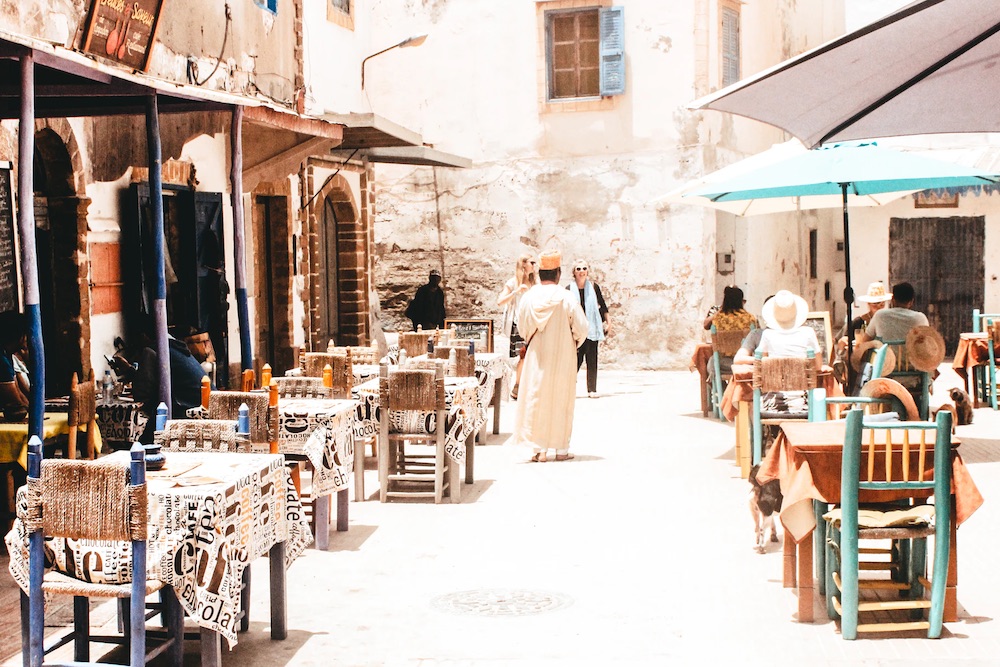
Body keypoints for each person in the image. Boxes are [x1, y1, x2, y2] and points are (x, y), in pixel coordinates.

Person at [514, 250, 588, 462]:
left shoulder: (529, 297)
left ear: (539, 274)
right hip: (563, 357)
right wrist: (572, 343)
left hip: (536, 357)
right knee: (561, 400)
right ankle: (561, 450)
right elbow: (582, 328)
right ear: (558, 274)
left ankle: (539, 450)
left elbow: (522, 328)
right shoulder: (566, 297)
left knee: (536, 398)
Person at [130, 328, 210, 442]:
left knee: (147, 439)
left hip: (188, 412)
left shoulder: (153, 350)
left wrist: (129, 373)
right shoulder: (175, 348)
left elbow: (142, 393)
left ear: (143, 336)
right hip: (201, 407)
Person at [497, 253, 538, 400]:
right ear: (523, 265)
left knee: (532, 356)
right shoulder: (513, 282)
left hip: (533, 325)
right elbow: (500, 301)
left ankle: (524, 386)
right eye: (531, 263)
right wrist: (515, 292)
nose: (534, 265)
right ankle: (518, 385)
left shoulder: (535, 284)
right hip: (518, 325)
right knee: (522, 356)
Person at [567, 259, 610, 398]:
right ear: (574, 272)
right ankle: (567, 388)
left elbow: (602, 305)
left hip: (592, 327)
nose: (582, 271)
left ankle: (592, 389)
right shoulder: (568, 289)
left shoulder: (594, 287)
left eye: (584, 268)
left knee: (592, 359)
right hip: (576, 329)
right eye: (578, 269)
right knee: (575, 360)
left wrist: (609, 322)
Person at [757, 290, 821, 370]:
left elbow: (763, 364)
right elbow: (818, 366)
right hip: (803, 377)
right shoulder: (808, 332)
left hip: (775, 377)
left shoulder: (767, 334)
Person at [855, 281, 928, 346]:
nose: (879, 305)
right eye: (876, 303)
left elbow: (865, 342)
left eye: (882, 303)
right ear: (911, 302)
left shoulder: (880, 315)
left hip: (886, 357)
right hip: (911, 357)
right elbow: (927, 342)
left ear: (893, 300)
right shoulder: (920, 318)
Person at [0, 311, 29, 420]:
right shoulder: (2, 361)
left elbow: (20, 394)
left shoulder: (7, 355)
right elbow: (16, 402)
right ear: (21, 336)